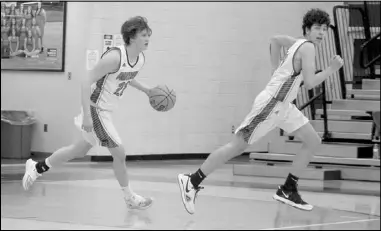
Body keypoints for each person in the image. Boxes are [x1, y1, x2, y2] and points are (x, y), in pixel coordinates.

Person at [177, 8, 344, 214]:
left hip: (284, 106)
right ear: (308, 30)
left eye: (325, 29)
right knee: (237, 146)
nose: (321, 33)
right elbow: (310, 84)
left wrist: (274, 69)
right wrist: (330, 70)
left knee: (312, 140)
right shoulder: (308, 47)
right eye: (317, 28)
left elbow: (274, 40)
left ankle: (288, 189)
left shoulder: (296, 43)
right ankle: (192, 181)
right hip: (272, 104)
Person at [22, 16, 154, 210]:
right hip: (95, 108)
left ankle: (37, 167)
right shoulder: (114, 57)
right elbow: (86, 81)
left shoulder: (140, 59)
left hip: (106, 111)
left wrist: (147, 90)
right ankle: (129, 197)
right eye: (143, 35)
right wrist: (86, 115)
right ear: (132, 37)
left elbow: (126, 77)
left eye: (148, 35)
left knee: (79, 150)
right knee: (119, 153)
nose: (148, 38)